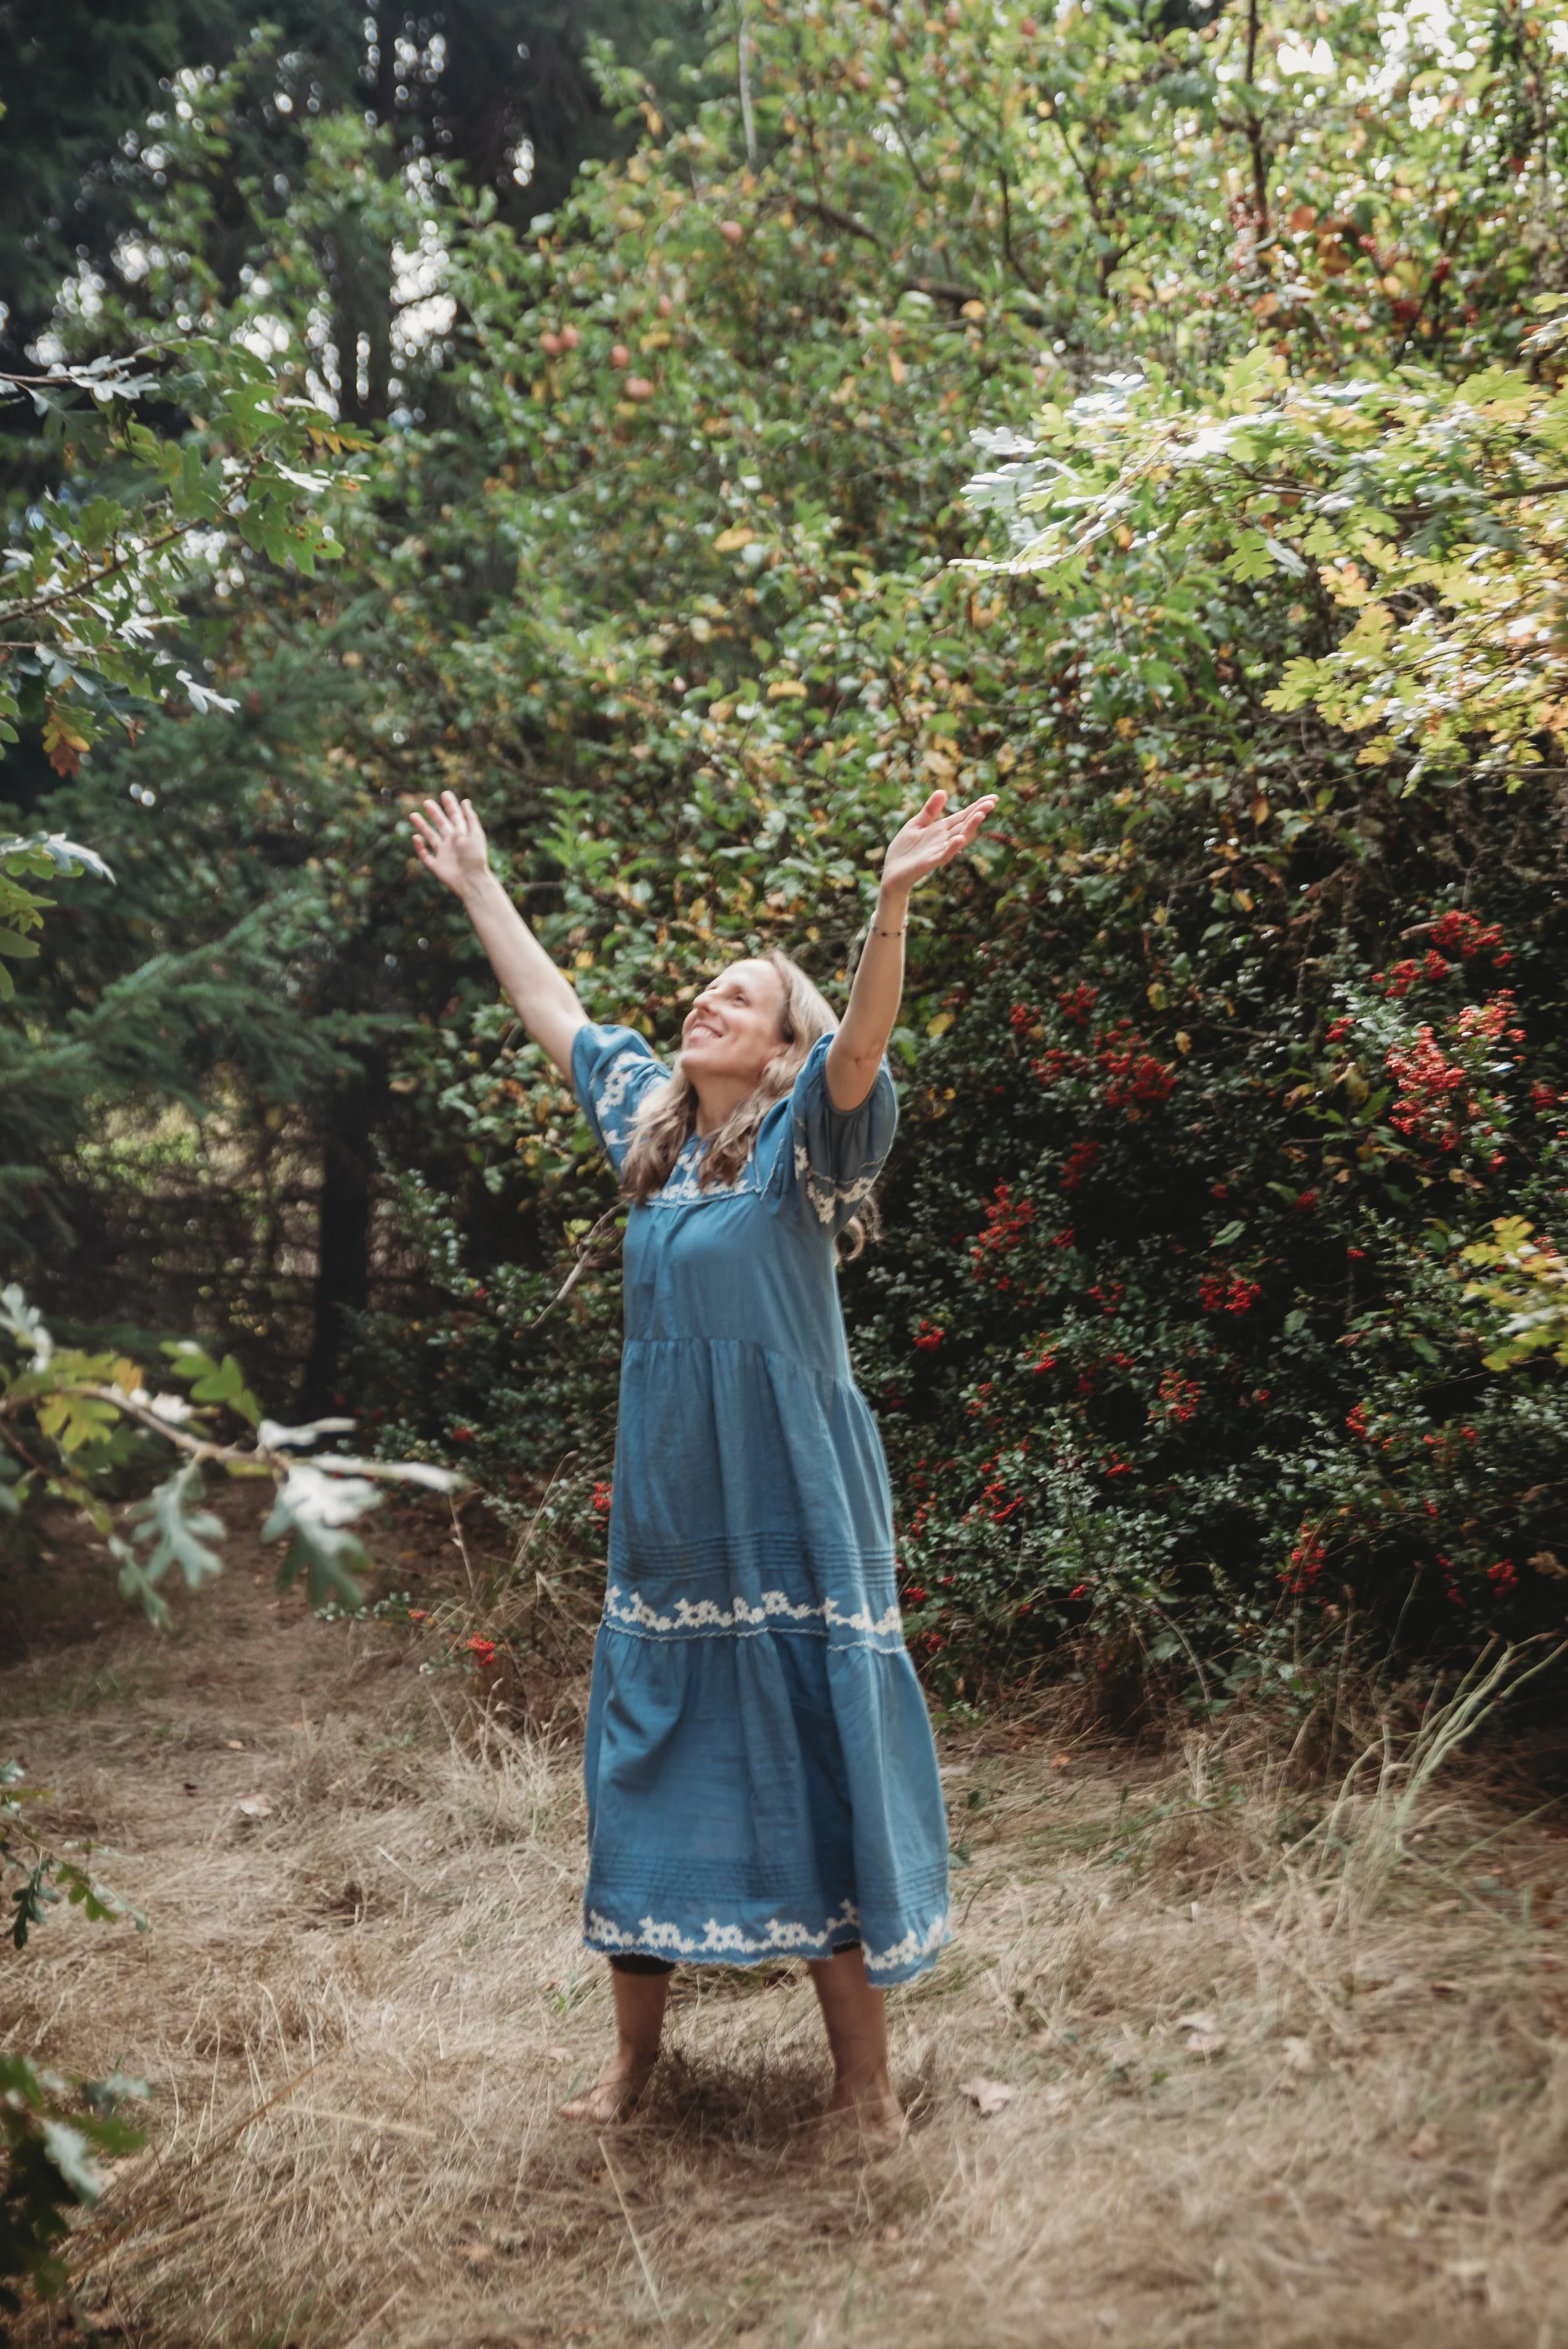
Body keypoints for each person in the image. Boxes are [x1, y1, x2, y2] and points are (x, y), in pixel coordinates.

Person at [411, 783, 996, 2140]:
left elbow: (862, 1039)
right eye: (703, 992)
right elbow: (557, 1014)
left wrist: (889, 902)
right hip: (675, 1501)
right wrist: (479, 886)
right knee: (647, 1753)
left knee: (807, 1752)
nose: (704, 1005)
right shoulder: (654, 1133)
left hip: (790, 1493)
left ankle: (864, 2091)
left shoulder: (804, 1141)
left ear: (782, 1045)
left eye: (738, 998)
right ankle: (628, 2068)